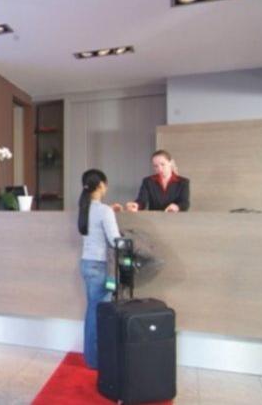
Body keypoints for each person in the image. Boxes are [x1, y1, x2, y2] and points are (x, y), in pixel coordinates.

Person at [78, 169, 120, 369]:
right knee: (99, 313)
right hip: (100, 265)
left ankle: (90, 357)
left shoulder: (84, 208)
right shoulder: (104, 211)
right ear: (101, 185)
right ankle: (96, 360)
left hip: (87, 263)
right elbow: (114, 240)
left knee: (92, 310)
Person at [125, 149, 190, 213]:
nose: (159, 169)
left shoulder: (183, 182)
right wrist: (136, 205)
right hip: (154, 218)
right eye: (155, 166)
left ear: (170, 163)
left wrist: (177, 207)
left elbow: (185, 203)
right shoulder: (148, 181)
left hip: (175, 218)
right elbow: (142, 201)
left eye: (162, 164)